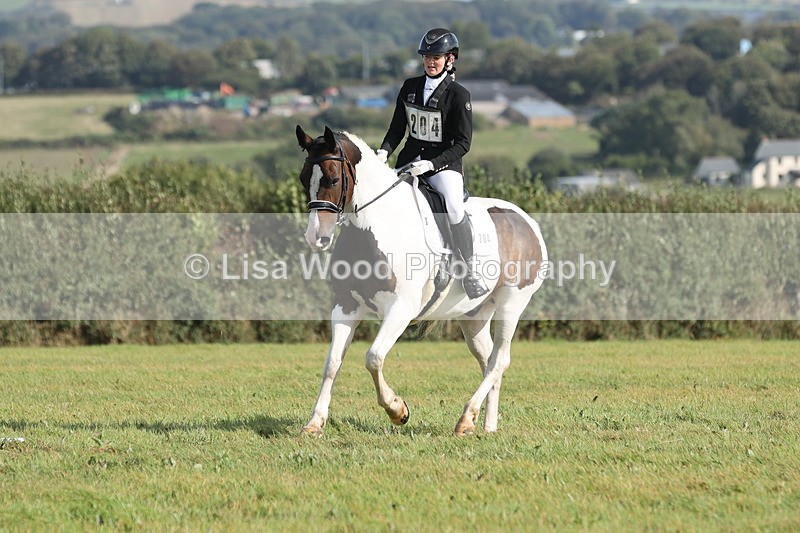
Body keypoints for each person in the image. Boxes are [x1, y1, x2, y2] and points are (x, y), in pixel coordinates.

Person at [376, 27, 488, 299]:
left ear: (450, 59)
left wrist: (432, 164)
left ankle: (469, 269)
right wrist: (383, 153)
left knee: (452, 205)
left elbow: (463, 143)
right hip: (408, 160)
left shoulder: (459, 95)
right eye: (426, 56)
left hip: (444, 165)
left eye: (436, 57)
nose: (429, 61)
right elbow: (396, 130)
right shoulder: (409, 87)